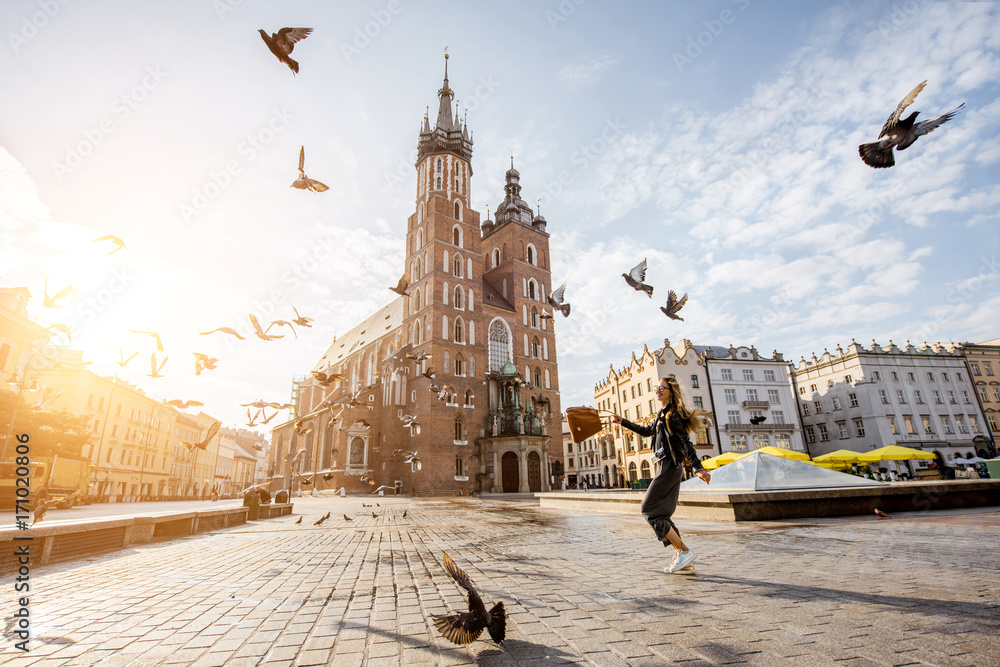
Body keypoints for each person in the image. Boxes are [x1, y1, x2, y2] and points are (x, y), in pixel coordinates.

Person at [612, 375, 711, 574]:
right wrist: (623, 422)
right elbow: (647, 431)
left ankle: (684, 551)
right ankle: (683, 556)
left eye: (661, 388)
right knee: (661, 514)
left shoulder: (673, 415)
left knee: (649, 510)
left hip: (669, 466)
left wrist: (698, 467)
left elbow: (685, 443)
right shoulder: (662, 413)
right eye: (657, 388)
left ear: (670, 392)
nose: (657, 391)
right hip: (664, 466)